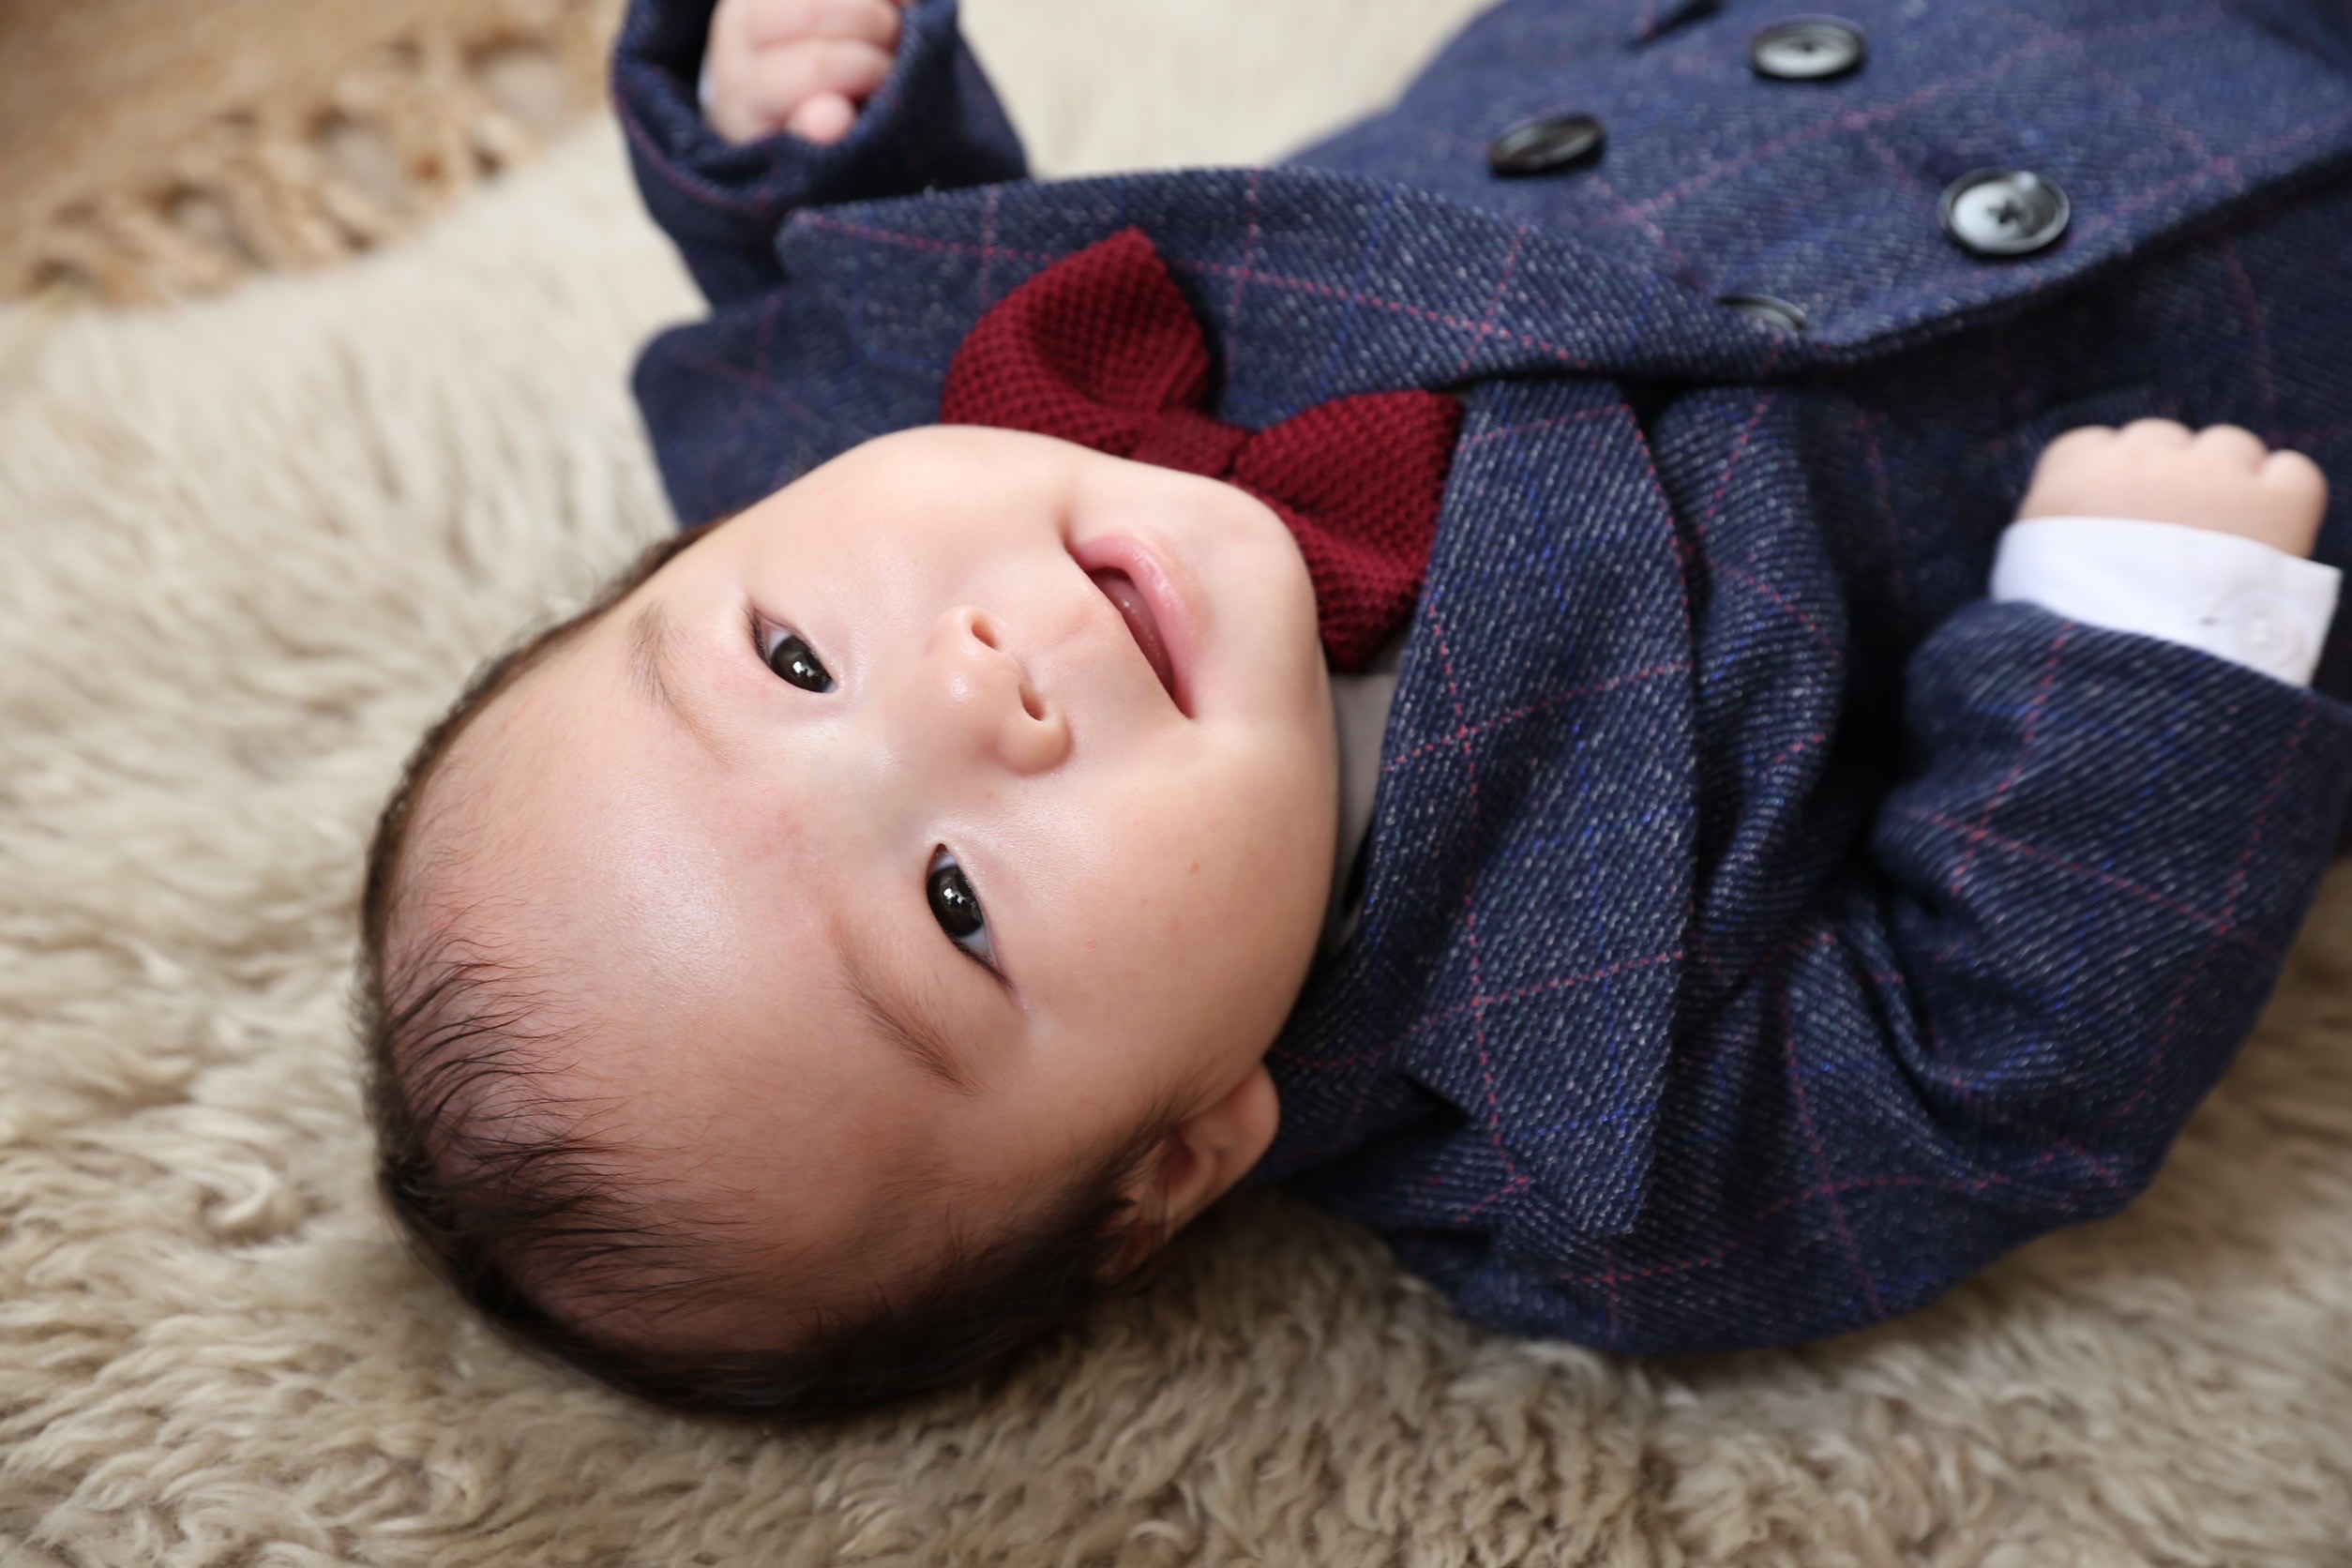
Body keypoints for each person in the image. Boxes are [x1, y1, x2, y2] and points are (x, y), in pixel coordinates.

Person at [359, 0, 2352, 1419]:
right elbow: (1979, 1076)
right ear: (1170, 1165)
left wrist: (812, 112)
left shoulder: (922, 442)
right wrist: (2135, 650)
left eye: (792, 661)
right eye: (956, 907)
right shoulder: (1590, 1148)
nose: (970, 687)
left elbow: (826, 290)